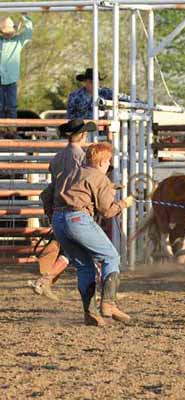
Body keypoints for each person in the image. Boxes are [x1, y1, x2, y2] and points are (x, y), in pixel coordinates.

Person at [48, 142, 135, 326]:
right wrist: (124, 204)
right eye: (108, 161)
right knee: (110, 257)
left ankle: (90, 314)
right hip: (78, 219)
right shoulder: (99, 178)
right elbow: (107, 211)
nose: (108, 165)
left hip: (59, 219)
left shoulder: (71, 172)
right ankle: (108, 304)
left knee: (84, 266)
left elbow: (47, 193)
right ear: (103, 161)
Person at [36, 119, 96, 300]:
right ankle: (44, 281)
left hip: (58, 210)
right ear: (84, 134)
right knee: (96, 251)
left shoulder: (57, 158)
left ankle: (44, 281)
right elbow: (87, 183)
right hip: (77, 210)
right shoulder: (83, 158)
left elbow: (54, 185)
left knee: (71, 251)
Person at [0, 13, 33, 118]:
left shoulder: (18, 40)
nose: (8, 34)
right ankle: (1, 131)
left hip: (11, 80)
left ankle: (11, 131)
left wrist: (25, 16)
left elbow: (29, 31)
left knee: (12, 107)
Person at [66, 68, 131, 120]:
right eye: (91, 82)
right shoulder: (74, 96)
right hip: (82, 130)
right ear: (85, 81)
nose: (94, 84)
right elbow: (70, 116)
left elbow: (123, 97)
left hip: (102, 131)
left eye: (96, 82)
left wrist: (139, 104)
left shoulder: (105, 92)